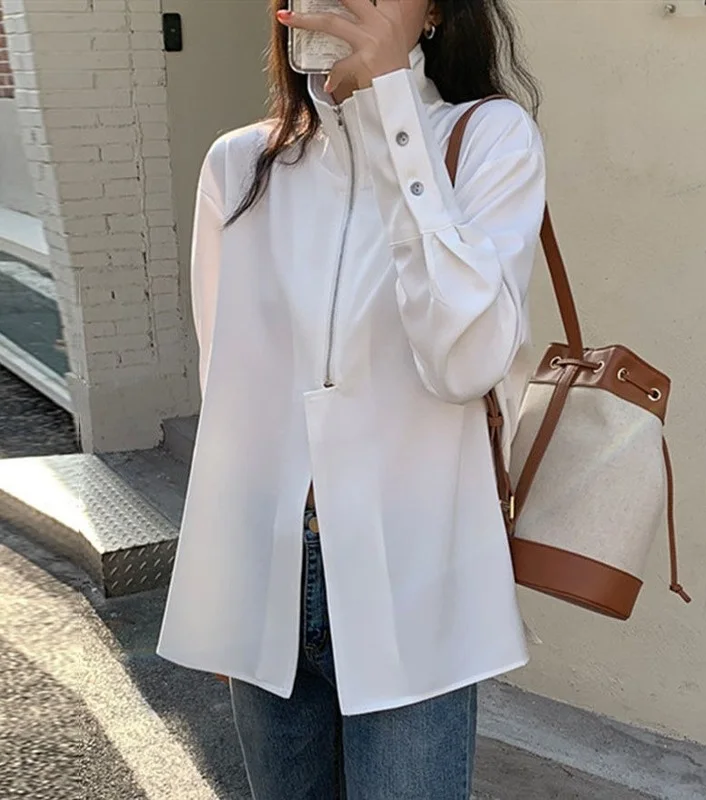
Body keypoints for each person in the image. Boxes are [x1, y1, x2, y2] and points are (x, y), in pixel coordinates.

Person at [157, 0, 545, 797]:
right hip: (270, 572)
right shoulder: (239, 165)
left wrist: (392, 110)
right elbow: (228, 388)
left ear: (434, 11)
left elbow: (466, 362)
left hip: (414, 573)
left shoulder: (487, 139)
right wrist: (231, 590)